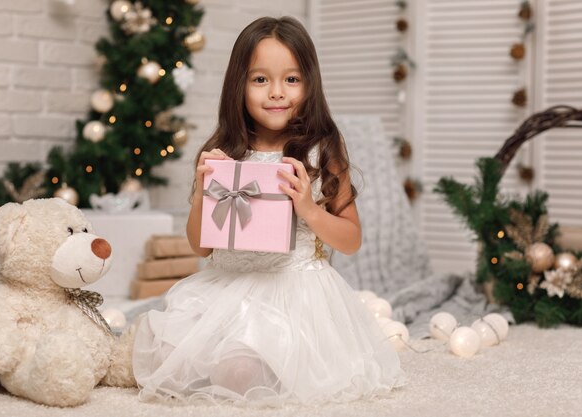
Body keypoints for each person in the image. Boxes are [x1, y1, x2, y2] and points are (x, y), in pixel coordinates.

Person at [132, 16, 405, 406]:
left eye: (291, 79)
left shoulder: (320, 150)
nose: (277, 92)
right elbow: (201, 247)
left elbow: (351, 239)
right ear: (239, 85)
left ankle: (271, 364)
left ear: (310, 83)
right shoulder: (225, 153)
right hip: (225, 287)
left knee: (239, 373)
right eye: (261, 80)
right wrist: (201, 195)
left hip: (290, 292)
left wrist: (308, 208)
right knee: (163, 353)